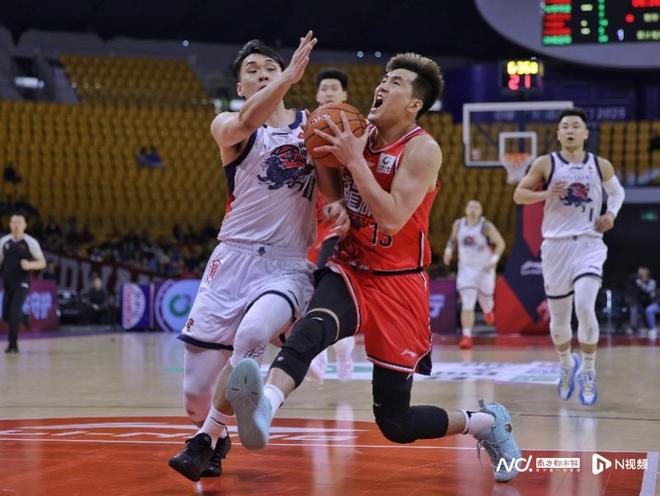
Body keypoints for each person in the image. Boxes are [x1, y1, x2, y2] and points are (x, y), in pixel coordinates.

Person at [225, 52, 521, 483]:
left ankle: (485, 422)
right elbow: (324, 164)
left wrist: (354, 159)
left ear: (414, 104)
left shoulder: (422, 149)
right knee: (311, 331)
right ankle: (264, 408)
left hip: (399, 284)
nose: (382, 86)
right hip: (351, 267)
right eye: (384, 78)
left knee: (396, 423)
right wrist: (336, 201)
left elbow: (393, 217)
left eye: (396, 82)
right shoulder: (354, 128)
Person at [168, 33, 348, 482]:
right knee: (193, 395)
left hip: (286, 264)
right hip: (231, 260)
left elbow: (330, 191)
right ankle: (215, 433)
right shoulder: (228, 124)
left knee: (252, 333)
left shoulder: (311, 127)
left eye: (271, 67)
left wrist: (335, 204)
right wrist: (287, 78)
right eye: (253, 71)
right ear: (241, 86)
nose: (263, 74)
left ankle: (204, 439)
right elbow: (247, 120)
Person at [513, 107, 625, 406]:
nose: (570, 130)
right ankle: (566, 364)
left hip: (589, 243)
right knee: (560, 319)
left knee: (585, 307)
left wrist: (611, 214)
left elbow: (618, 193)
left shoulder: (599, 165)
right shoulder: (546, 163)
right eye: (565, 126)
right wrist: (546, 193)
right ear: (558, 134)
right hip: (555, 246)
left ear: (586, 133)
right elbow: (519, 195)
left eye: (576, 125)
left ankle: (588, 371)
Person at [307, 67, 355, 384]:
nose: (328, 92)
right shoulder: (304, 127)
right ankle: (341, 350)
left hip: (340, 222)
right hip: (308, 222)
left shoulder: (355, 129)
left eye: (333, 88)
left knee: (323, 286)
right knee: (309, 288)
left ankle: (320, 352)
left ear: (344, 95)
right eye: (323, 88)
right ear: (316, 95)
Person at [443, 200, 505, 349]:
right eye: (470, 206)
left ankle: (488, 310)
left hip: (484, 268)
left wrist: (494, 260)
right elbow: (452, 239)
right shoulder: (459, 224)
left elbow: (501, 243)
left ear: (481, 211)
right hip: (466, 269)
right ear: (465, 209)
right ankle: (466, 336)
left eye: (476, 207)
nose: (473, 209)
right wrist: (448, 250)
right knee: (467, 303)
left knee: (486, 300)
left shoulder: (486, 226)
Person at [0, 213, 46, 353]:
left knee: (14, 311)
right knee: (6, 315)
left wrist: (30, 265)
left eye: (19, 222)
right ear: (9, 224)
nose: (16, 225)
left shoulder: (30, 242)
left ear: (25, 225)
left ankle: (13, 345)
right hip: (8, 282)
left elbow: (42, 262)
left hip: (22, 282)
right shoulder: (4, 241)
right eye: (13, 222)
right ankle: (24, 316)